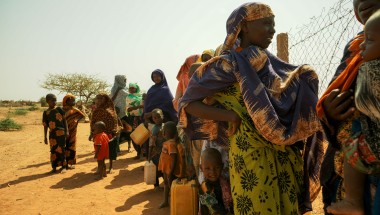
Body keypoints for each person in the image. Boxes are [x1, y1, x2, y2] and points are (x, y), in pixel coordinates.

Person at [179, 2, 323, 214]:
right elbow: (188, 103)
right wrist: (229, 115)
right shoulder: (225, 65)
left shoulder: (271, 65)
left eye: (273, 24)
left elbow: (293, 95)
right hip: (250, 157)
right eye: (266, 24)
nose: (272, 30)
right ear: (244, 26)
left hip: (284, 154)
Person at [316, 1, 380, 214]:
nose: (362, 2)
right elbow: (339, 86)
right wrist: (330, 110)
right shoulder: (356, 46)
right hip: (345, 166)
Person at [89, 93, 121, 174]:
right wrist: (91, 133)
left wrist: (114, 132)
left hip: (110, 134)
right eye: (97, 98)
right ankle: (100, 168)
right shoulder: (96, 111)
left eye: (101, 99)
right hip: (98, 135)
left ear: (105, 99)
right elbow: (93, 123)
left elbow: (115, 122)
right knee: (99, 151)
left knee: (110, 151)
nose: (99, 101)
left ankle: (110, 167)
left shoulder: (111, 111)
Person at [199, 148, 233, 215]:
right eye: (207, 168)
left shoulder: (225, 183)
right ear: (201, 168)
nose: (212, 172)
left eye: (217, 167)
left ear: (222, 166)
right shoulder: (204, 187)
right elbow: (214, 207)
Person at [42, 93, 69, 173]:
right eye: (52, 100)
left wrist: (67, 131)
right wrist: (45, 137)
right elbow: (45, 126)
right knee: (53, 150)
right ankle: (54, 167)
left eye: (55, 100)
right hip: (52, 134)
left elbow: (65, 121)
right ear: (47, 101)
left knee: (62, 149)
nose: (54, 102)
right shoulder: (46, 113)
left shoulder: (59, 109)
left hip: (61, 132)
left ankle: (64, 166)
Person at [157, 121, 178, 208]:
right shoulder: (167, 143)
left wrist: (171, 171)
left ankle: (175, 202)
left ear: (166, 133)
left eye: (164, 131)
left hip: (170, 170)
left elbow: (174, 158)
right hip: (166, 169)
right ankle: (165, 201)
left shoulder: (171, 144)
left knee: (171, 186)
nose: (163, 132)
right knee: (166, 183)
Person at [62, 93, 85, 169]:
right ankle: (63, 163)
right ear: (66, 101)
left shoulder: (75, 110)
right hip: (63, 131)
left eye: (74, 100)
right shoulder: (62, 110)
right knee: (63, 146)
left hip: (73, 131)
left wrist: (76, 121)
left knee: (72, 145)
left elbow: (82, 116)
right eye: (72, 101)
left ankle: (70, 163)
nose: (74, 102)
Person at [148, 108, 165, 190]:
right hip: (156, 153)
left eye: (159, 117)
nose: (157, 119)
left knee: (163, 168)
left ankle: (166, 184)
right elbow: (151, 143)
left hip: (163, 152)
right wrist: (149, 156)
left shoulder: (164, 125)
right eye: (155, 118)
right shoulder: (155, 129)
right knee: (156, 170)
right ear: (153, 119)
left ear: (163, 116)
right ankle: (156, 185)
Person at [126, 83, 144, 158]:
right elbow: (128, 109)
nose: (131, 90)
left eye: (133, 88)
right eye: (130, 88)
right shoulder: (128, 97)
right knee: (134, 136)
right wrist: (138, 107)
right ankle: (138, 152)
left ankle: (143, 152)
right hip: (132, 118)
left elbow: (144, 106)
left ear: (136, 89)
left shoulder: (141, 96)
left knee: (142, 135)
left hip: (141, 118)